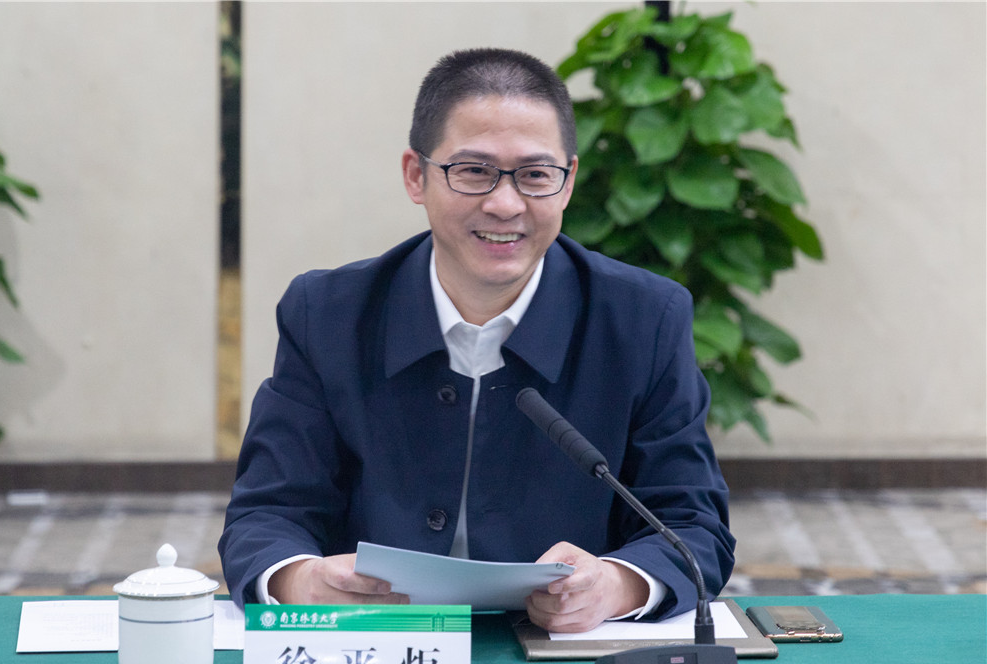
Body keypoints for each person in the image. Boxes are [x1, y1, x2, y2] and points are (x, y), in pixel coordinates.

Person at [219, 47, 735, 633]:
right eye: (472, 171)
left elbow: (691, 524)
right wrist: (300, 580)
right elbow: (267, 512)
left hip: (555, 652)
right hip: (375, 647)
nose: (505, 204)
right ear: (416, 176)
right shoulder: (328, 315)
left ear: (568, 183)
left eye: (535, 175)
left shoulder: (644, 319)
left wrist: (616, 586)